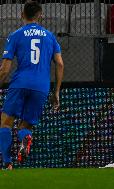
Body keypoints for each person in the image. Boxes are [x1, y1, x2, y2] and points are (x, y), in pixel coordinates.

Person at [0, 1, 64, 170]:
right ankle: (24, 136)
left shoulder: (16, 35)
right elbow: (60, 64)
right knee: (25, 125)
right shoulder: (50, 36)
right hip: (41, 87)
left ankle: (7, 163)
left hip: (20, 83)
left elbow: (5, 69)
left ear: (22, 15)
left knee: (5, 123)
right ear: (40, 15)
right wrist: (56, 92)